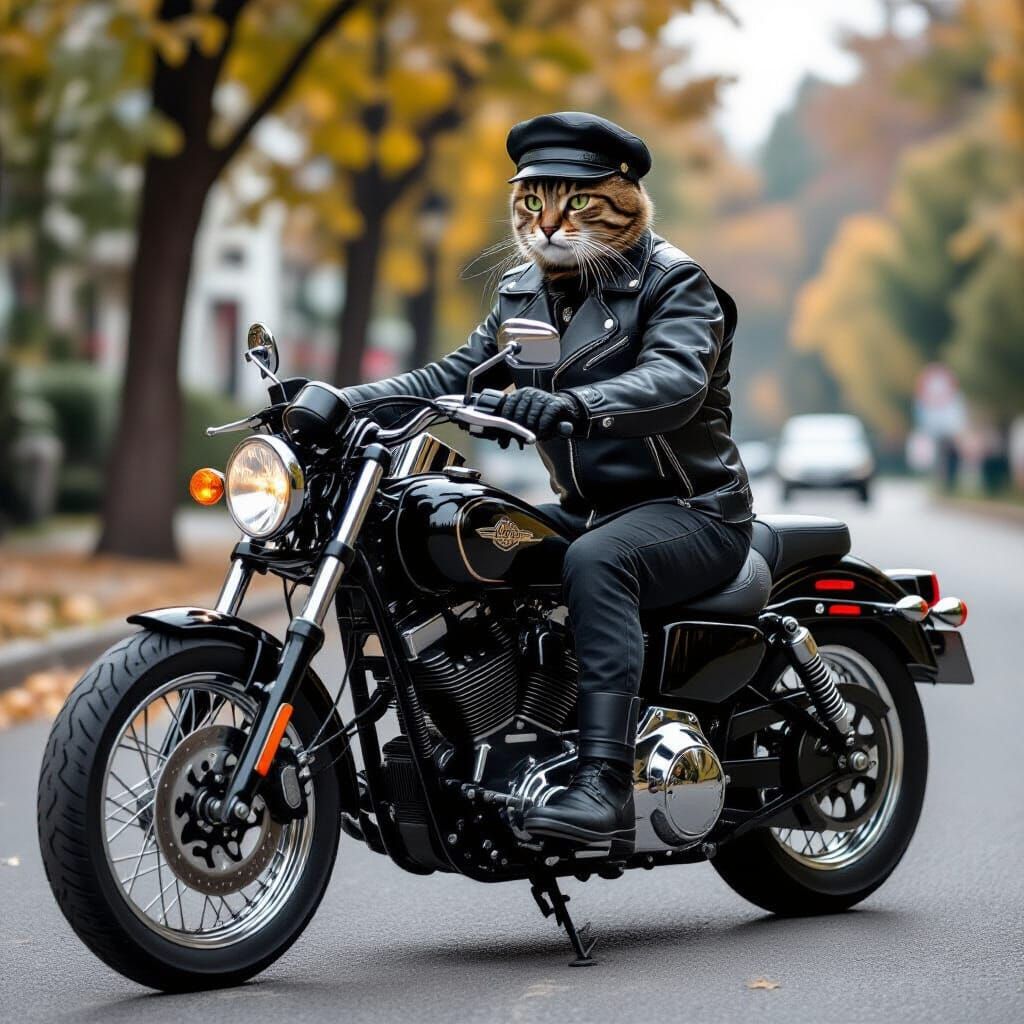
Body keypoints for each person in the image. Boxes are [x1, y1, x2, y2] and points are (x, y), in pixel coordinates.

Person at [341, 112, 753, 849]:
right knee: (460, 528)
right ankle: (476, 746)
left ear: (625, 195)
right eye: (532, 201)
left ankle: (601, 785)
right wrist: (336, 405)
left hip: (695, 513)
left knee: (598, 560)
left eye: (577, 202)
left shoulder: (674, 283)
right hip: (591, 510)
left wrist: (573, 404)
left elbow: (675, 379)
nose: (550, 223)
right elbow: (451, 377)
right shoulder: (522, 292)